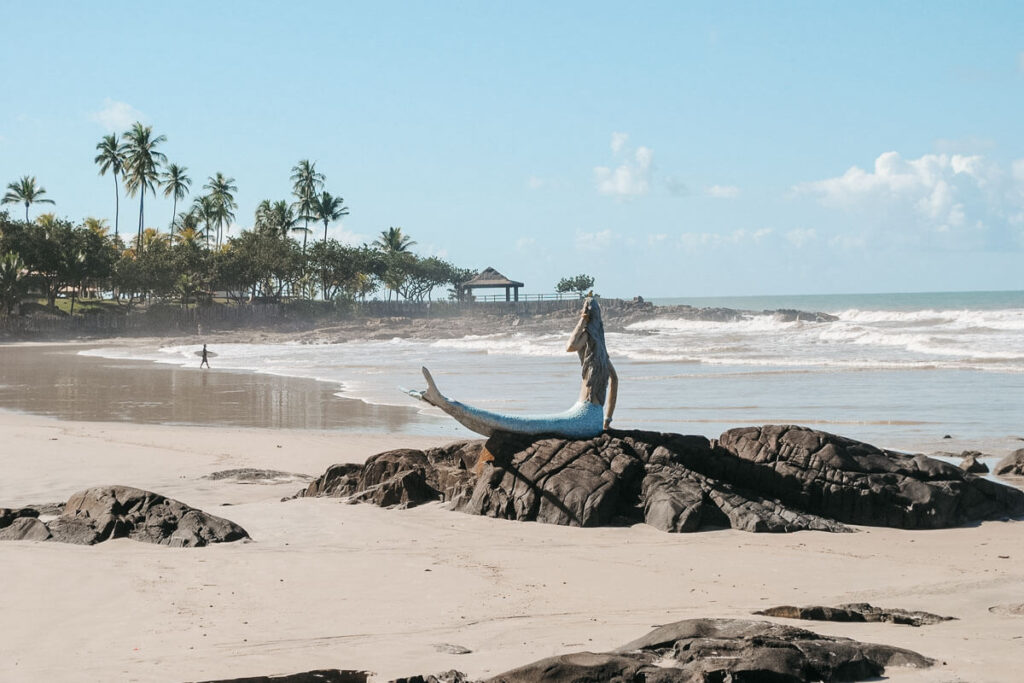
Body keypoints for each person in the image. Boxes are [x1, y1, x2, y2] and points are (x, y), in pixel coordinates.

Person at [406, 295, 618, 438]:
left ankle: (444, 402)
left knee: (522, 424)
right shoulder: (601, 356)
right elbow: (615, 381)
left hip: (580, 419)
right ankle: (442, 402)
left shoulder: (588, 348)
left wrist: (582, 320)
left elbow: (570, 345)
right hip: (594, 421)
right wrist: (607, 420)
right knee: (523, 423)